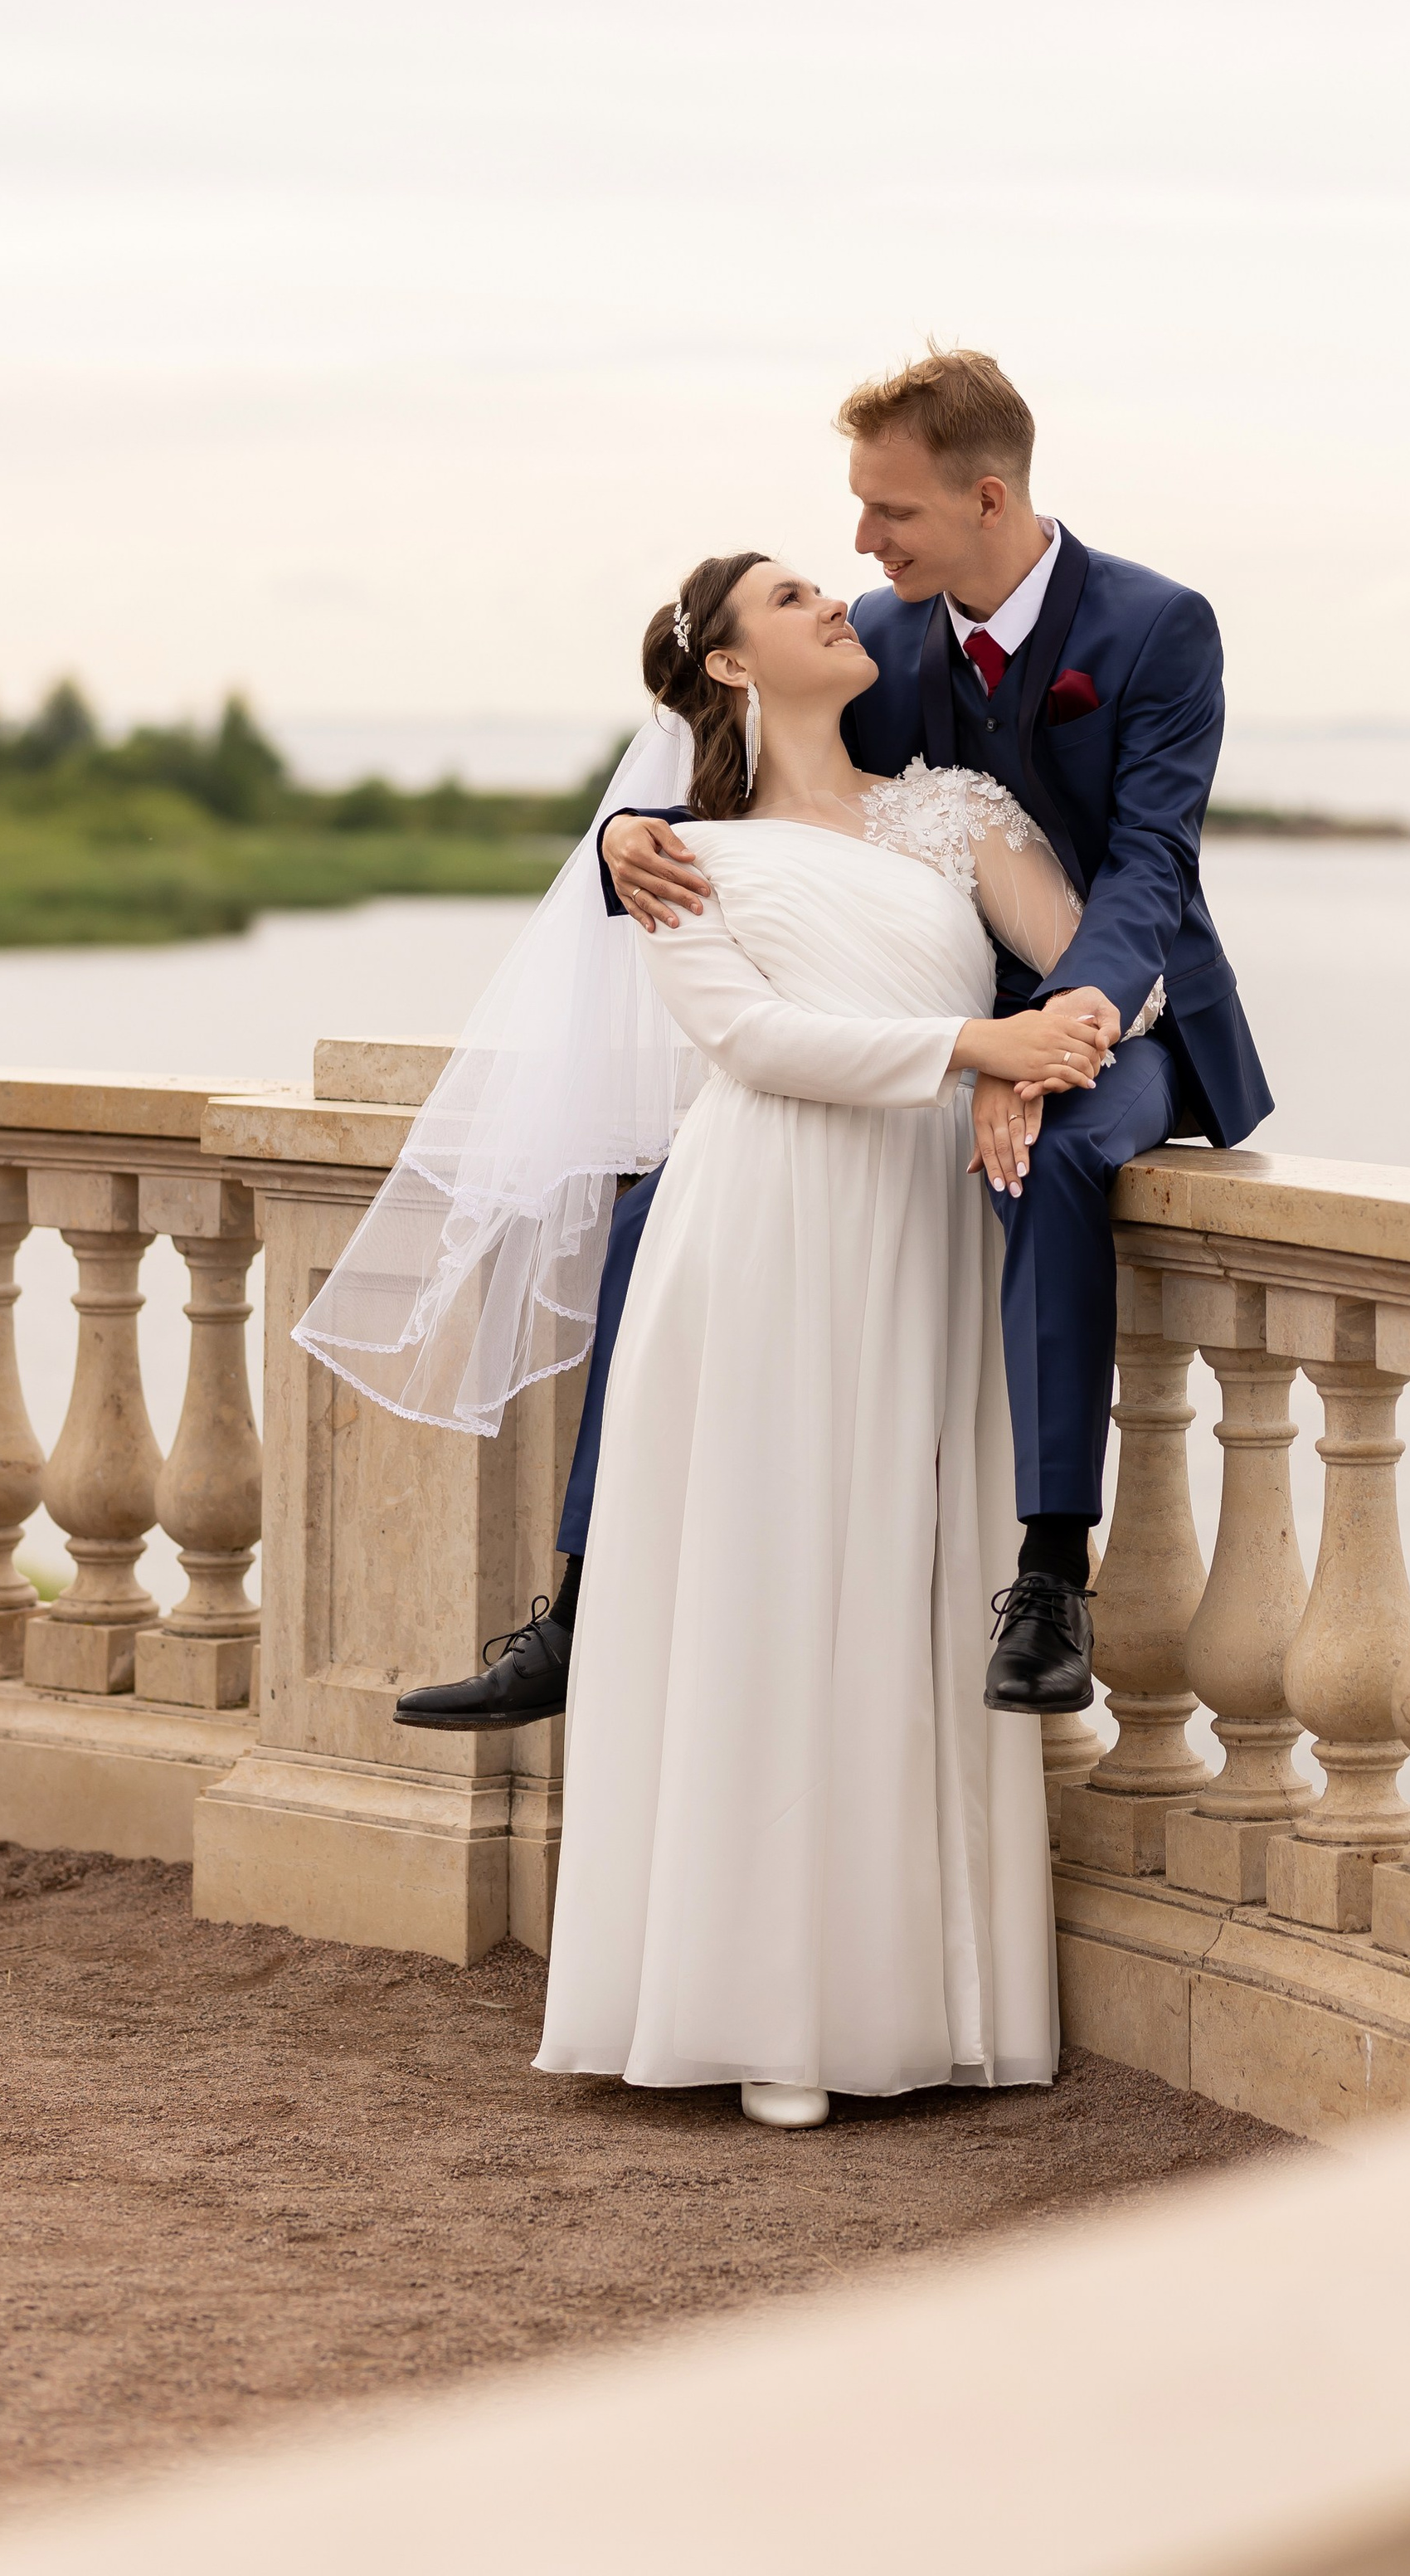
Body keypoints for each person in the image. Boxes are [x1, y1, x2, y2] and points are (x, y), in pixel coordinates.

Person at [396, 345, 1271, 1739]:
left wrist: (1056, 1037)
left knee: (1052, 1171)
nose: (863, 543)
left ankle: (1050, 1574)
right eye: (856, 517)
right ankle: (577, 1603)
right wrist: (629, 834)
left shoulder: (1157, 629)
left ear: (987, 498)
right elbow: (769, 784)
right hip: (959, 1026)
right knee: (646, 1223)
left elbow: (1149, 870)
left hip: (1132, 1004)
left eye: (891, 513)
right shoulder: (886, 627)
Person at [535, 552, 1097, 2121]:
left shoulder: (958, 815)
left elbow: (1102, 973)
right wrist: (979, 1042)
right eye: (790, 599)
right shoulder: (670, 856)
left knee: (906, 1573)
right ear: (725, 665)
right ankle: (756, 2009)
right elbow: (751, 1041)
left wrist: (1040, 1066)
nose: (835, 603)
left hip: (920, 1217)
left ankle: (896, 1997)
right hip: (762, 1222)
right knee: (764, 1580)